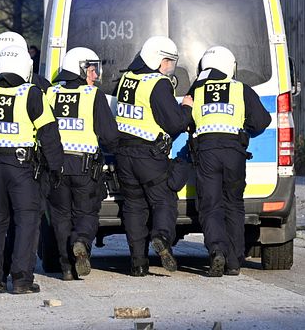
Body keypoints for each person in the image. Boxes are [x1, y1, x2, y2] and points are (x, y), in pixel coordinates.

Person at [0, 46, 64, 294]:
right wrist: (56, 167)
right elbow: (48, 133)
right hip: (21, 169)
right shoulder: (31, 94)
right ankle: (22, 279)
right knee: (26, 221)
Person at [186, 46, 270, 277]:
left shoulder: (196, 89)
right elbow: (262, 120)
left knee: (210, 206)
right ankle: (234, 261)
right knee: (233, 205)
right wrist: (245, 130)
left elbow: (185, 118)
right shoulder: (240, 88)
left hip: (206, 153)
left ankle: (216, 251)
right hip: (234, 153)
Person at [115, 35, 192, 276]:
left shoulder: (127, 79)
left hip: (123, 156)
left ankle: (138, 263)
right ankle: (161, 238)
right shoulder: (157, 83)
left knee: (134, 207)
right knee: (164, 200)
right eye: (168, 61)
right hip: (148, 155)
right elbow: (174, 123)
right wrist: (187, 107)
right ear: (158, 60)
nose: (170, 66)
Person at [46, 47, 119, 280]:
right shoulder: (92, 95)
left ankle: (66, 267)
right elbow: (108, 135)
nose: (95, 75)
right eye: (91, 69)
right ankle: (81, 241)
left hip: (55, 166)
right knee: (86, 213)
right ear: (79, 68)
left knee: (60, 217)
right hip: (84, 167)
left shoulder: (49, 93)